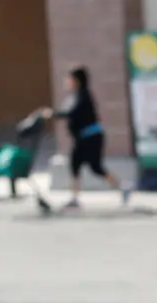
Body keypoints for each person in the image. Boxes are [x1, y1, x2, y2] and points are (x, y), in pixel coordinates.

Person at [42, 65, 131, 210]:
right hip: (84, 138)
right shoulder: (75, 95)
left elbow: (72, 113)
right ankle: (76, 198)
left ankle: (122, 186)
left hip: (90, 137)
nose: (67, 81)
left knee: (94, 166)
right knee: (77, 164)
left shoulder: (83, 96)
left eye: (70, 79)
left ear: (77, 80)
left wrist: (53, 114)